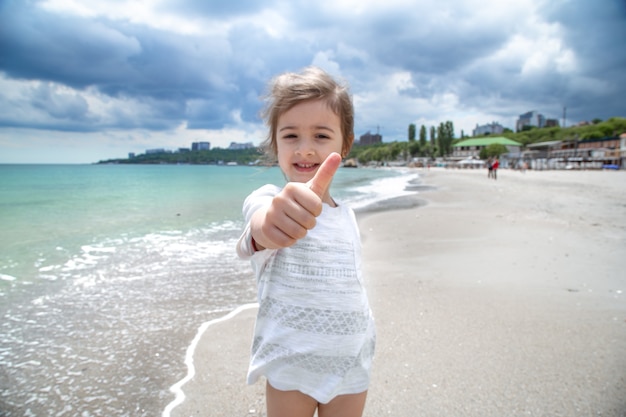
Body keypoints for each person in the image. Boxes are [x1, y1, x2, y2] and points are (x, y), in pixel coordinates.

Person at [236, 67, 375, 417]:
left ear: (346, 143)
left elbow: (353, 285)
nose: (305, 149)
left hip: (351, 362)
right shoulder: (269, 200)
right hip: (292, 367)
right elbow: (258, 231)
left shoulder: (347, 215)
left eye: (321, 136)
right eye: (291, 136)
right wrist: (269, 226)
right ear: (275, 143)